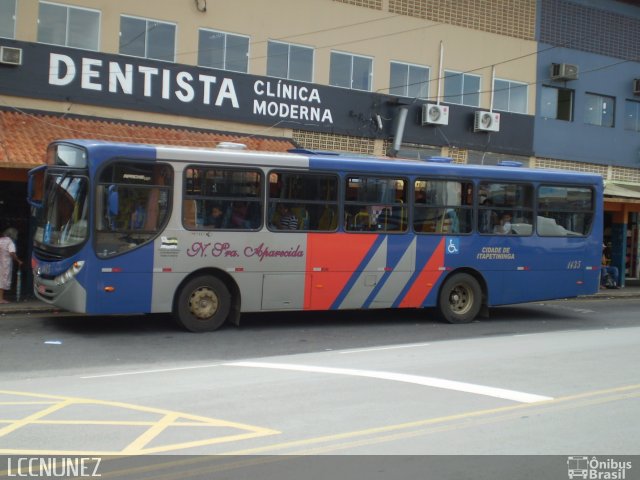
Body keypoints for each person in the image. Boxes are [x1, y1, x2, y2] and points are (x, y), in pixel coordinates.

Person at [0, 228, 23, 304]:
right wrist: (18, 260)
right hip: (5, 263)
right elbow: (11, 253)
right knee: (3, 280)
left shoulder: (1, 240)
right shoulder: (10, 242)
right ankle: (1, 299)